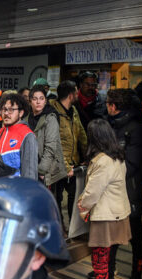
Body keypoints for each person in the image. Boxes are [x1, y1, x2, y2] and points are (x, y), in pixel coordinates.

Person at [77, 119, 131, 279]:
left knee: (100, 259)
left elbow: (92, 193)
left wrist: (82, 205)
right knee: (109, 259)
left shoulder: (102, 161)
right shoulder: (117, 156)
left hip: (105, 217)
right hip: (118, 214)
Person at [107, 88, 142, 279]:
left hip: (131, 191)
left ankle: (137, 275)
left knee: (135, 234)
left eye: (108, 103)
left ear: (114, 107)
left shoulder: (136, 130)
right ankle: (108, 270)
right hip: (114, 190)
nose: (106, 107)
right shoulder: (114, 126)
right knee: (112, 234)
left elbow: (133, 164)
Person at [52, 80, 88, 231]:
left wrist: (87, 155)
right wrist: (65, 166)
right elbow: (53, 143)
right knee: (56, 198)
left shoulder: (73, 110)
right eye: (76, 91)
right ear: (70, 95)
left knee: (74, 196)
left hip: (74, 162)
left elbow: (81, 135)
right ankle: (60, 229)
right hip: (58, 165)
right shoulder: (53, 113)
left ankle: (74, 229)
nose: (78, 94)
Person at [0, 93, 38, 180]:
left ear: (21, 113)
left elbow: (30, 173)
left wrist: (27, 192)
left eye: (11, 110)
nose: (6, 113)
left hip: (15, 190)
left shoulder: (27, 135)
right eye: (4, 109)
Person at [28, 85, 66, 189]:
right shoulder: (26, 118)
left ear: (45, 101)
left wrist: (41, 170)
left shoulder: (50, 117)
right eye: (35, 99)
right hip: (30, 168)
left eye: (41, 98)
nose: (38, 102)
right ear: (30, 101)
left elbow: (50, 147)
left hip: (46, 169)